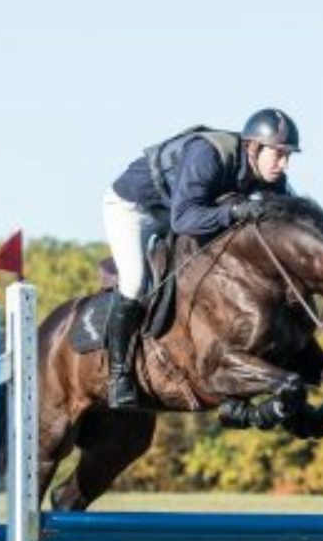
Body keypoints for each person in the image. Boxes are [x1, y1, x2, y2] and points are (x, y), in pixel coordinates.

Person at [101, 108, 301, 408]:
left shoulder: (269, 174)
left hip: (179, 210)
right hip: (135, 209)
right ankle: (118, 375)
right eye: (279, 154)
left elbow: (291, 217)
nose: (284, 164)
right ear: (254, 147)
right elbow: (184, 220)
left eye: (288, 156)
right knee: (135, 282)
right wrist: (234, 213)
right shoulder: (208, 155)